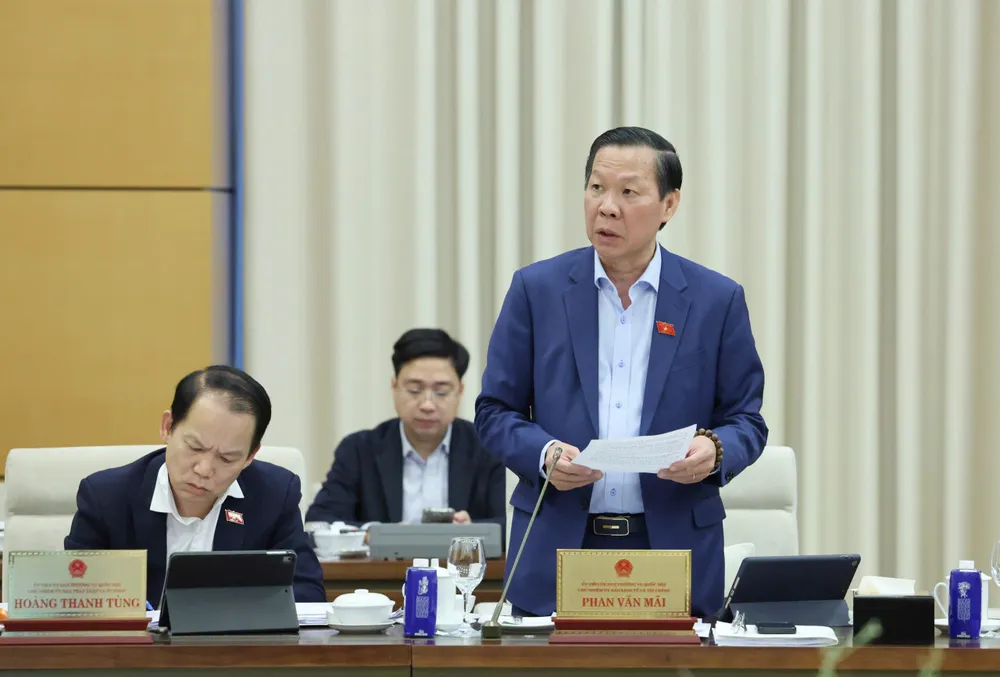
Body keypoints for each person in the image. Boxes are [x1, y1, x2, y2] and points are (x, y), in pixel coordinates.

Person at [475, 127, 767, 618]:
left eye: (628, 192)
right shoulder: (536, 290)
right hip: (559, 546)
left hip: (672, 547)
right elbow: (494, 412)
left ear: (669, 205)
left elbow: (746, 420)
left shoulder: (716, 300)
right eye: (596, 188)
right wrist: (544, 454)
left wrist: (715, 450)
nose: (606, 206)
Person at [65, 365, 326, 606]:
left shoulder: (275, 494)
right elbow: (75, 593)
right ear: (168, 427)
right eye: (195, 447)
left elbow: (307, 593)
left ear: (250, 456)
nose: (204, 469)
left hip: (235, 651)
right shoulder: (106, 496)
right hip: (137, 653)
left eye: (227, 458)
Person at [306, 329, 506, 532]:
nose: (427, 404)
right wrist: (376, 534)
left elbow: (513, 522)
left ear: (460, 392)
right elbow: (320, 521)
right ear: (394, 387)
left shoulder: (488, 449)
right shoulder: (358, 450)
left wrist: (471, 529)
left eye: (441, 392)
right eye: (414, 390)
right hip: (384, 564)